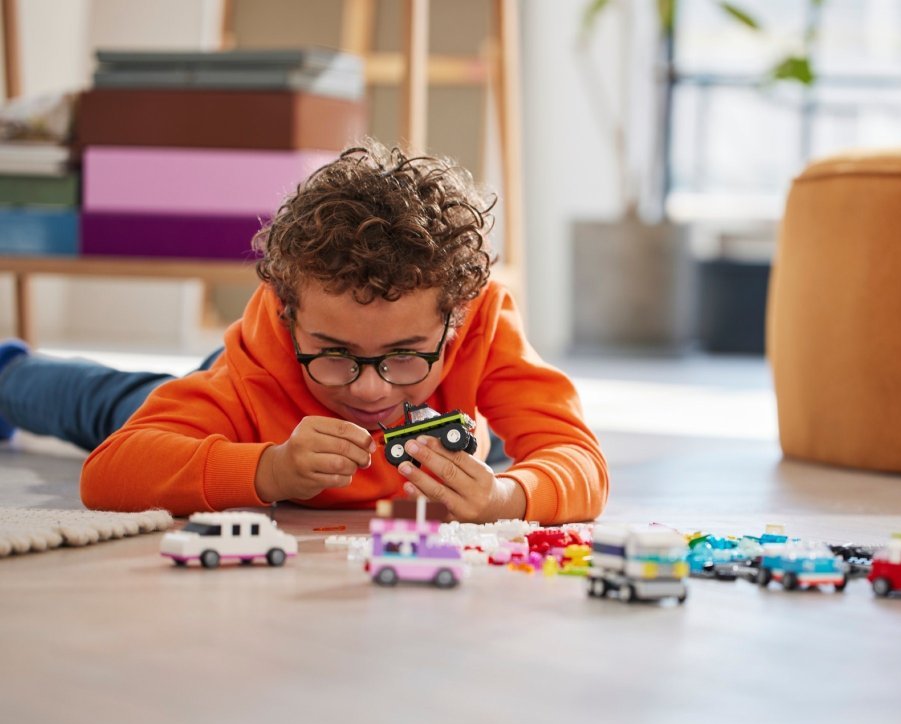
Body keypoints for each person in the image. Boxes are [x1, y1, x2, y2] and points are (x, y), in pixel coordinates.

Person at [0, 142, 608, 524]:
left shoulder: (483, 320)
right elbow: (109, 473)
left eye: (403, 355)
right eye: (337, 353)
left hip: (437, 424)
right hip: (252, 416)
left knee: (489, 456)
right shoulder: (255, 368)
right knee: (113, 404)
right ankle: (9, 371)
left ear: (456, 320)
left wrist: (505, 498)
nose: (369, 391)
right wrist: (268, 470)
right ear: (288, 315)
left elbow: (580, 460)